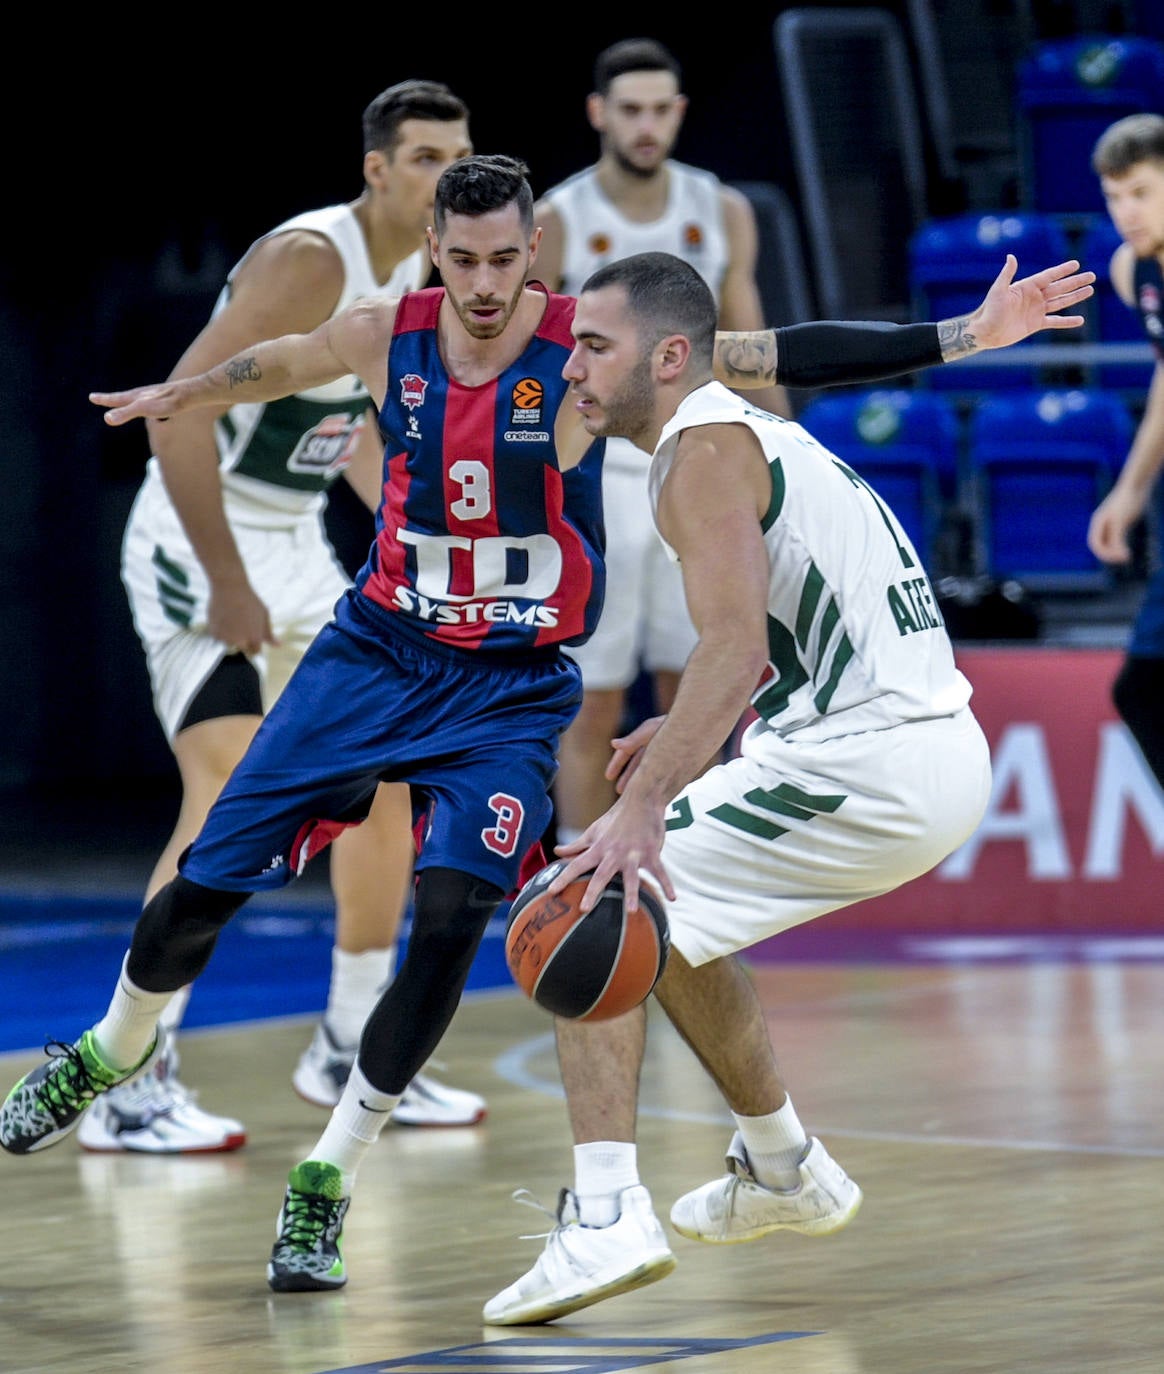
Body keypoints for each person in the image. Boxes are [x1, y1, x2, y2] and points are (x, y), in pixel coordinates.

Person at [0, 155, 1092, 1308]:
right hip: (375, 651)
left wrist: (963, 337)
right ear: (433, 249)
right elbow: (284, 361)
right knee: (209, 885)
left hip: (510, 688)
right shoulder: (388, 335)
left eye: (505, 261)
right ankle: (113, 1048)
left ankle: (354, 1178)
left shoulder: (599, 358)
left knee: (490, 920)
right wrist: (191, 389)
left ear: (538, 258)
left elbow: (789, 352)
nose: (483, 284)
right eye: (461, 259)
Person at [482, 248, 1096, 1326]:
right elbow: (783, 627)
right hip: (883, 739)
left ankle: (607, 1217)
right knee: (665, 922)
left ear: (668, 358)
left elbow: (725, 648)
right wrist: (691, 727)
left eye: (592, 347)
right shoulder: (745, 432)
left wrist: (634, 810)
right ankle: (782, 1167)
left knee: (590, 898)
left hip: (876, 758)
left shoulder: (700, 456)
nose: (571, 369)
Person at [88, 78, 485, 1156]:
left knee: (390, 779)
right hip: (194, 532)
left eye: (459, 153)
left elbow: (357, 428)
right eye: (423, 157)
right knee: (223, 794)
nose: (446, 173)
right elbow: (174, 410)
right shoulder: (314, 258)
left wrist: (421, 536)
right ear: (377, 169)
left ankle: (352, 1041)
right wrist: (223, 577)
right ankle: (131, 1077)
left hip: (295, 541)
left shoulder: (430, 273)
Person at [536, 38, 794, 847]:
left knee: (702, 691)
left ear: (679, 114)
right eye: (630, 110)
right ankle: (577, 876)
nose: (646, 126)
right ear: (598, 114)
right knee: (593, 702)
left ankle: (697, 871)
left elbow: (751, 338)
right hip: (601, 477)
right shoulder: (558, 219)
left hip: (705, 470)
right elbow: (539, 362)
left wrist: (784, 448)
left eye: (660, 110)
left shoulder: (720, 209)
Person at [1087, 112, 1164, 790]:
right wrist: (1133, 488)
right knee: (1144, 689)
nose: (1125, 212)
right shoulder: (1129, 268)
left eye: (1141, 192)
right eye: (1114, 197)